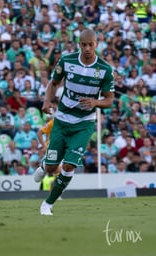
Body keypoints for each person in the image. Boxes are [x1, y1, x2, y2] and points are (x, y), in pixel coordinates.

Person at [33, 29, 114, 215]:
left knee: (69, 166)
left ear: (96, 44)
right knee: (53, 166)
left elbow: (109, 100)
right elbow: (53, 83)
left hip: (84, 123)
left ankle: (48, 204)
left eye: (90, 44)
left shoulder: (105, 70)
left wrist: (95, 102)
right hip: (61, 120)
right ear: (79, 44)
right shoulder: (67, 61)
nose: (87, 48)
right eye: (84, 44)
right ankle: (46, 165)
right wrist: (47, 100)